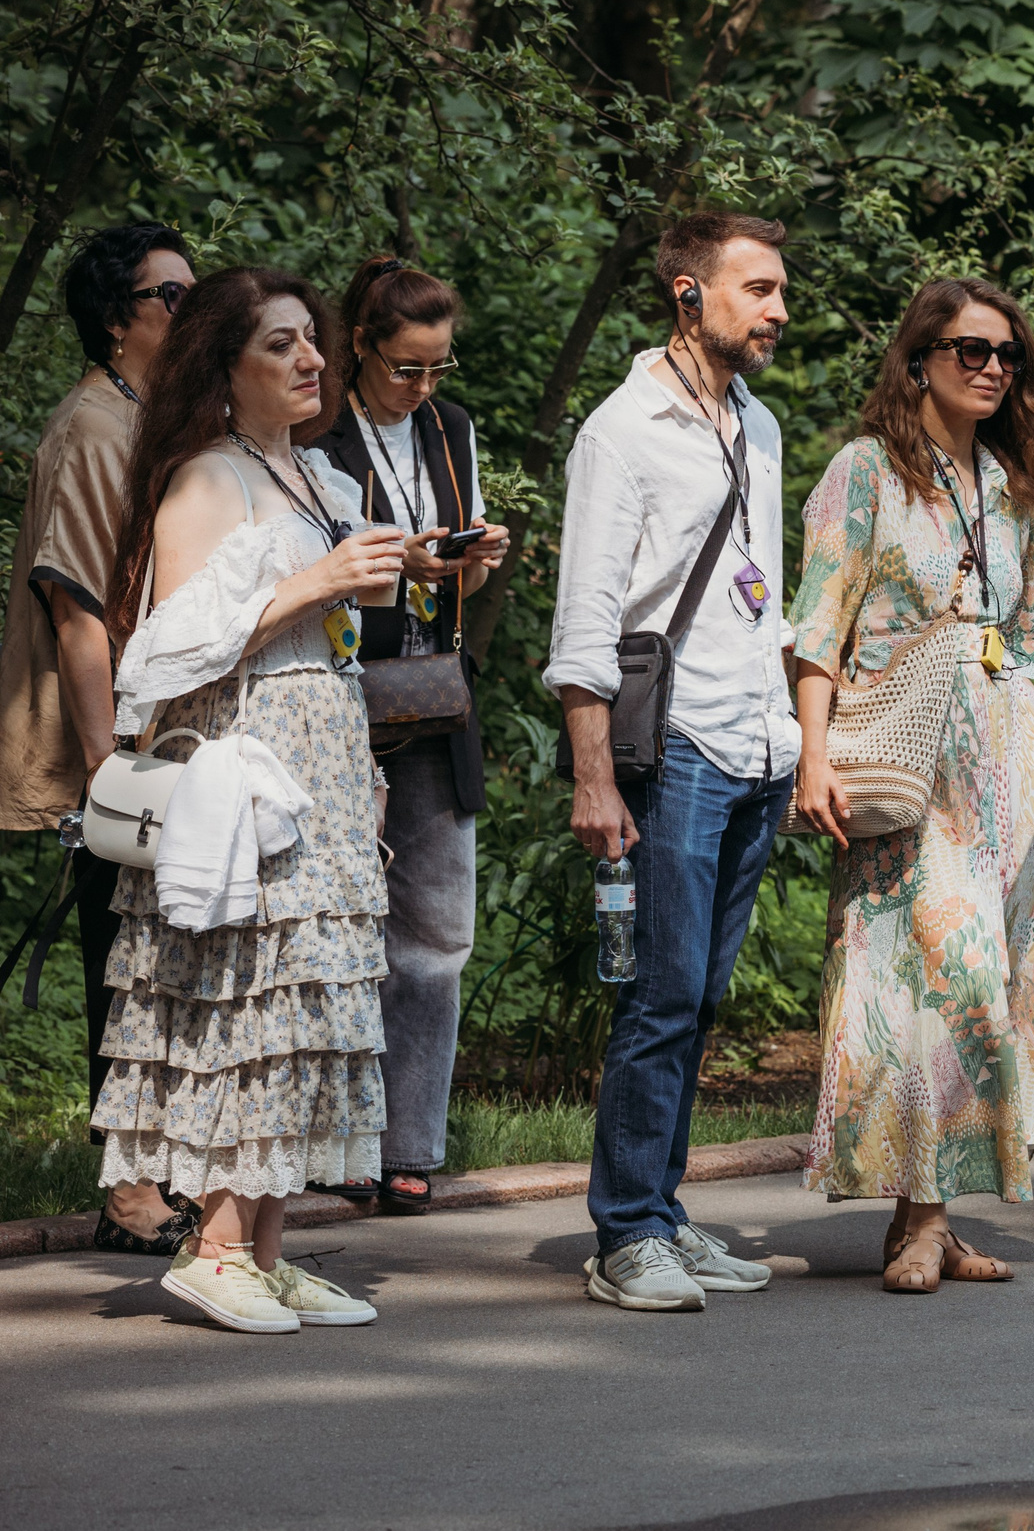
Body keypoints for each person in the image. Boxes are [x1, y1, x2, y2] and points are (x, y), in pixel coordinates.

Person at [94, 266, 404, 1332]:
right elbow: (163, 653)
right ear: (225, 369)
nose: (311, 358)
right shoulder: (207, 479)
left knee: (311, 1010)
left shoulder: (315, 476)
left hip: (323, 756)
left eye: (312, 340)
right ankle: (215, 1246)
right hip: (248, 758)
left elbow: (340, 647)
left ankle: (268, 1249)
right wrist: (316, 584)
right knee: (252, 1001)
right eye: (281, 345)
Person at [788, 278, 1034, 1294]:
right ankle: (917, 1217)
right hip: (904, 763)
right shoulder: (863, 472)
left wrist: (1033, 721)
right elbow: (816, 626)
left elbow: (1028, 633)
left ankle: (938, 1213)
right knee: (923, 980)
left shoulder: (1004, 484)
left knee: (984, 992)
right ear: (918, 360)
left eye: (1007, 354)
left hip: (1006, 766)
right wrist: (813, 754)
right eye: (969, 350)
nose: (993, 368)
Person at [546, 210, 797, 1312]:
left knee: (700, 1000)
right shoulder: (622, 430)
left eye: (781, 290)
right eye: (757, 290)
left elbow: (766, 600)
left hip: (754, 744)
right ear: (690, 294)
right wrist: (592, 777)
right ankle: (625, 1235)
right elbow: (586, 618)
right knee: (660, 997)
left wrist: (793, 738)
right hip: (678, 745)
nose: (778, 311)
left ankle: (667, 1209)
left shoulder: (762, 427)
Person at [0, 223, 197, 1256]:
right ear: (119, 319)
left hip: (168, 744)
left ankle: (160, 1176)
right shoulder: (93, 426)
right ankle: (128, 1197)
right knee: (123, 973)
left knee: (165, 970)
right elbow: (76, 611)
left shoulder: (154, 420)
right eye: (172, 296)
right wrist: (107, 774)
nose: (191, 310)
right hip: (115, 755)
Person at [306, 255, 512, 1214]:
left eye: (440, 367)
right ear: (359, 346)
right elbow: (307, 572)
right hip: (343, 697)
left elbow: (458, 588)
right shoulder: (313, 431)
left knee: (435, 933)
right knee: (340, 928)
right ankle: (333, 1138)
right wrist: (409, 566)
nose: (424, 387)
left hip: (433, 697)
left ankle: (409, 1140)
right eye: (406, 369)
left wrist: (470, 563)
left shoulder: (449, 428)